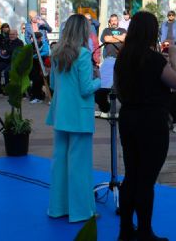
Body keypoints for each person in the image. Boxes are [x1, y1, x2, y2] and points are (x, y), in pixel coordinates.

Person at [114, 11, 176, 241]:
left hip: (129, 118)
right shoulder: (153, 59)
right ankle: (144, 231)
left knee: (131, 175)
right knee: (146, 178)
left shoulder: (122, 58)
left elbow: (118, 89)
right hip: (152, 121)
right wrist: (173, 57)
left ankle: (125, 230)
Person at [45, 14, 99, 223]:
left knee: (59, 163)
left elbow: (52, 84)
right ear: (83, 31)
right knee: (80, 166)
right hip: (79, 116)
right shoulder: (84, 54)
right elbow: (86, 89)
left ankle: (58, 208)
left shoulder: (56, 53)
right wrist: (98, 80)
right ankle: (80, 211)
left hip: (60, 114)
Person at [0, 28, 23, 94]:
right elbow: (2, 48)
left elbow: (15, 50)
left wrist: (7, 51)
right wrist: (2, 50)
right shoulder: (7, 41)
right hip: (5, 61)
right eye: (10, 34)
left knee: (6, 72)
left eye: (13, 34)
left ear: (16, 35)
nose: (11, 36)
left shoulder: (20, 42)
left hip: (15, 62)